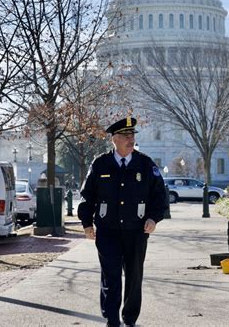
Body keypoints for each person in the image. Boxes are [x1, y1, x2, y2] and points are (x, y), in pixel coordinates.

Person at [77, 116, 167, 327]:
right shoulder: (100, 164)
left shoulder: (145, 164)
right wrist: (86, 223)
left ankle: (129, 319)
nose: (130, 139)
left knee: (134, 277)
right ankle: (112, 319)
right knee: (111, 275)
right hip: (108, 231)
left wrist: (154, 218)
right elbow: (87, 195)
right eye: (126, 136)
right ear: (114, 139)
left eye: (132, 135)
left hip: (136, 231)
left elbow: (160, 197)